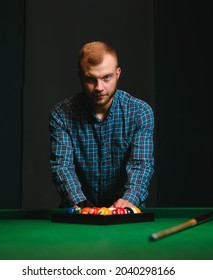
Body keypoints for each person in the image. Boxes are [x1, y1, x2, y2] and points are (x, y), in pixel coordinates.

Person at [49, 41, 154, 209]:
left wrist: (129, 201)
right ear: (80, 77)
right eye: (90, 79)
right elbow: (62, 166)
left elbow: (141, 165)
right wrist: (80, 203)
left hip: (125, 214)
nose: (99, 88)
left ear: (117, 73)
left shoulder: (140, 112)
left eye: (106, 77)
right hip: (79, 215)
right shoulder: (61, 114)